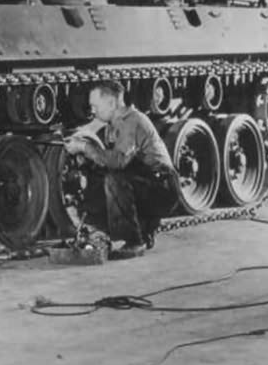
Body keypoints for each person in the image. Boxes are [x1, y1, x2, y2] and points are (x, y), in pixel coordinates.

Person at [64, 80, 181, 258]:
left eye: (95, 105)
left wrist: (84, 148)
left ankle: (133, 242)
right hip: (150, 182)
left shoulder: (131, 121)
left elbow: (119, 161)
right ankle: (142, 230)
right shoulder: (114, 124)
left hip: (163, 188)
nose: (92, 111)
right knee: (103, 175)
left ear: (111, 103)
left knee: (114, 179)